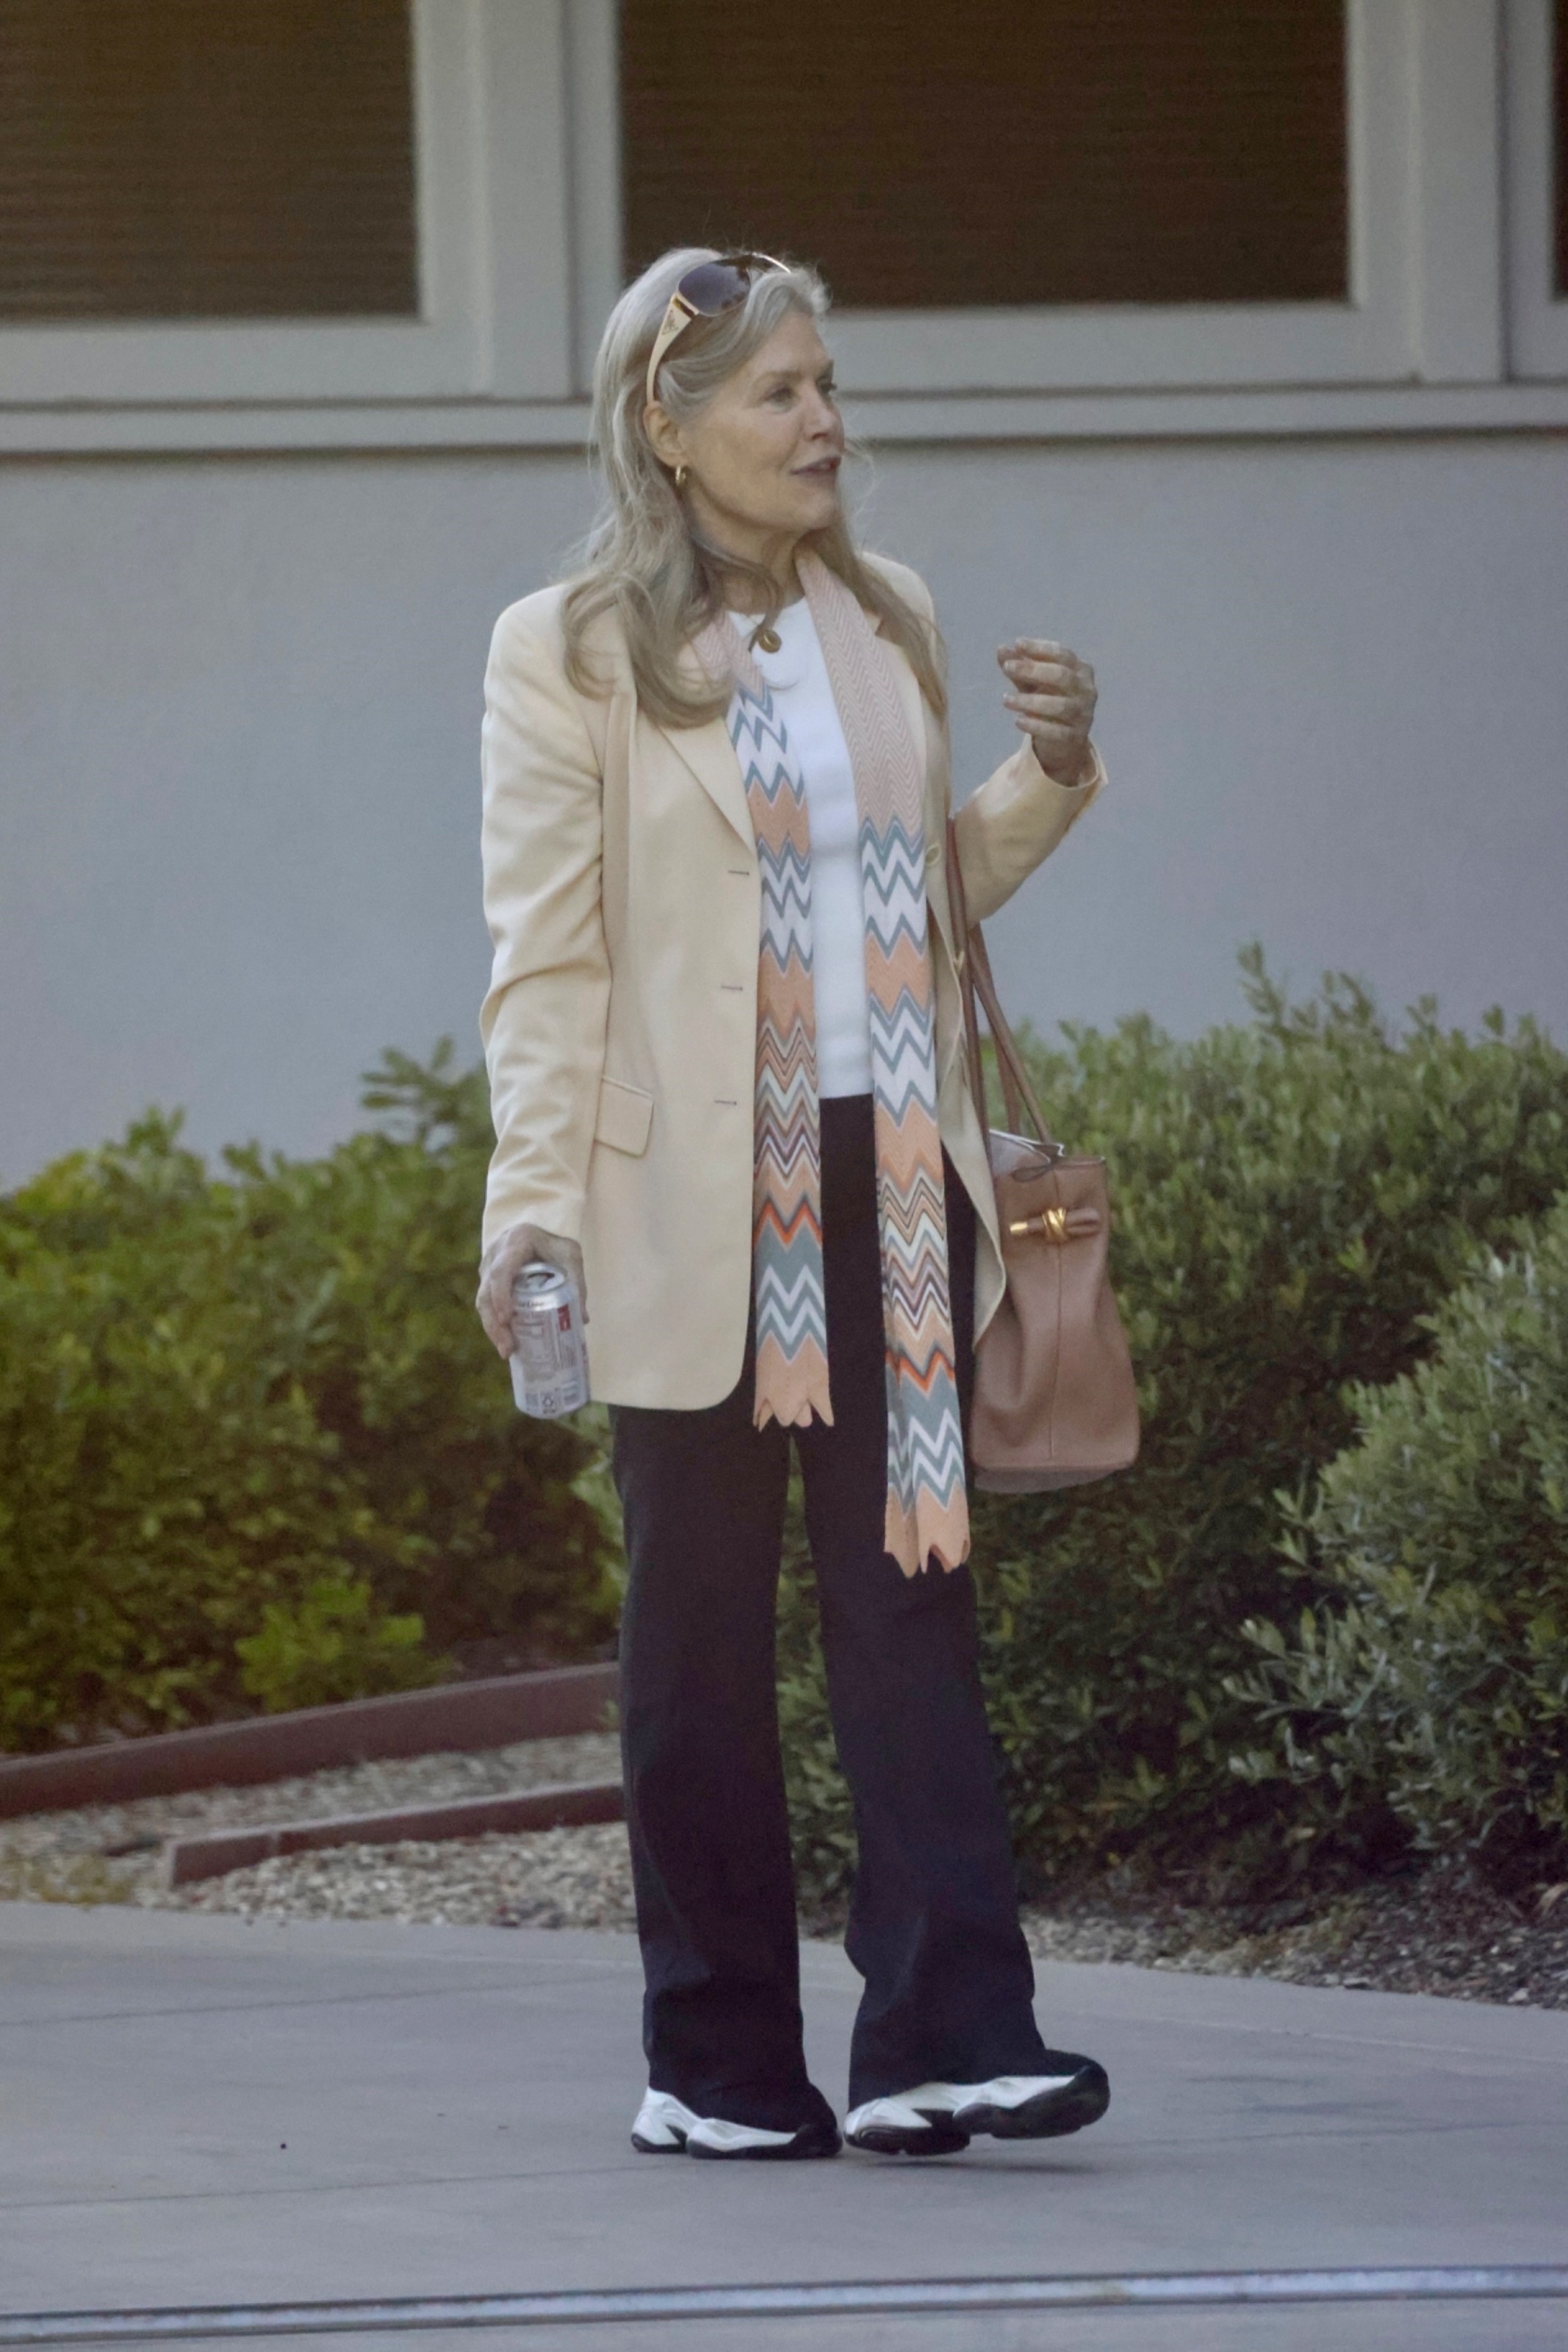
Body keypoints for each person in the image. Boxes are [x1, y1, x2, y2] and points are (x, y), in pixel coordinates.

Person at [475, 249, 1110, 2162]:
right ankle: (721, 2065)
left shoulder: (886, 614)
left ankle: (946, 2034)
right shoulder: (565, 650)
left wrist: (1051, 770)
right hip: (685, 1204)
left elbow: (915, 899)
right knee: (695, 1645)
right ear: (666, 433)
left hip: (885, 1171)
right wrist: (533, 1220)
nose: (823, 423)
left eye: (827, 384)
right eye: (775, 394)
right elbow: (548, 963)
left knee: (912, 1609)